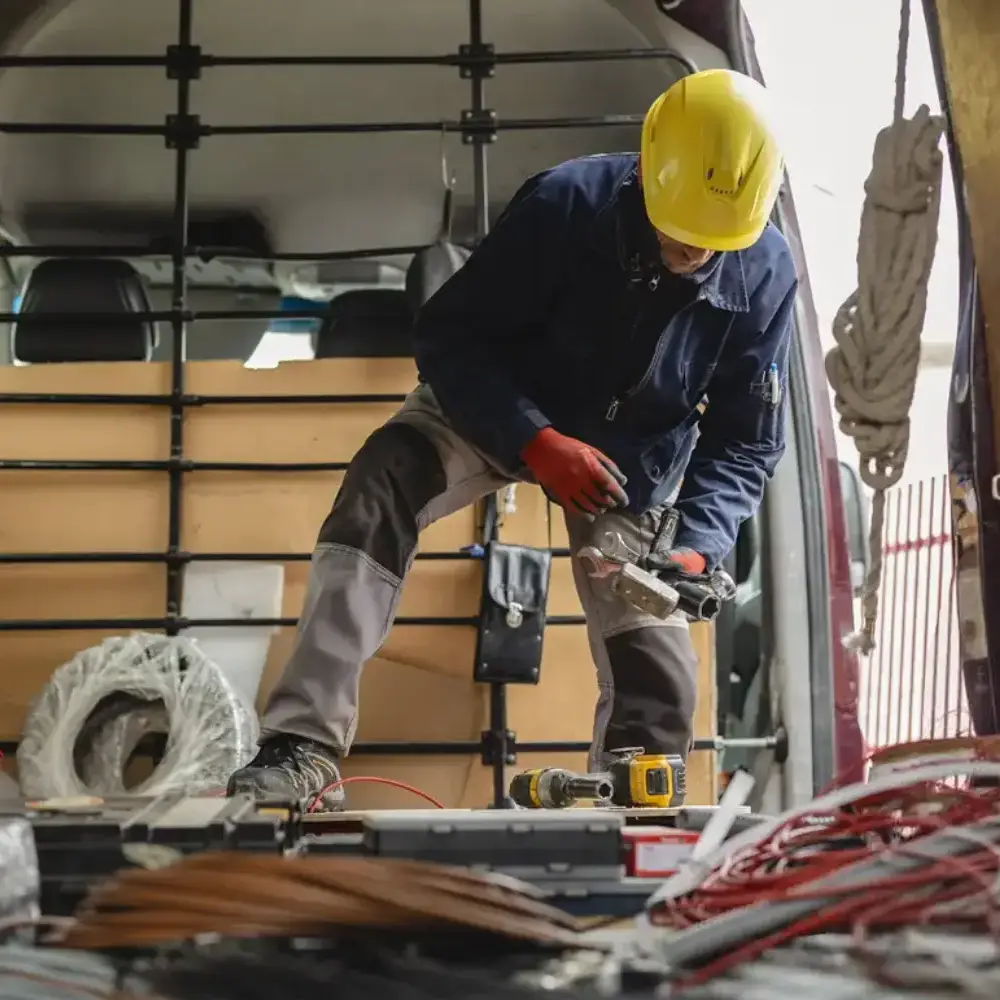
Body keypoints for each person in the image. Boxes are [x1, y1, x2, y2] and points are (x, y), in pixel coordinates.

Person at [227, 68, 796, 810]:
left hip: (633, 462)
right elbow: (451, 338)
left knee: (653, 634)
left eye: (714, 241)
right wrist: (532, 440)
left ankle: (638, 798)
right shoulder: (565, 203)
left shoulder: (766, 272)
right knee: (384, 478)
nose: (693, 252)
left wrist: (698, 542)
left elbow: (746, 439)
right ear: (651, 171)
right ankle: (300, 745)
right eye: (679, 231)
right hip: (500, 406)